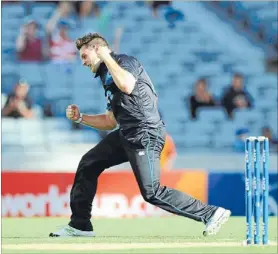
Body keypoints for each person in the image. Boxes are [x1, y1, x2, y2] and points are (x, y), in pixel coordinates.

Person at [49, 33, 231, 238]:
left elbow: (127, 85)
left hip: (146, 133)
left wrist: (107, 58)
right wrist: (81, 118)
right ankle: (80, 225)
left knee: (151, 192)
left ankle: (211, 213)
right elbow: (110, 121)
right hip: (127, 132)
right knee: (89, 163)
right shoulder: (106, 74)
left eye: (84, 56)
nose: (82, 62)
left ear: (98, 49)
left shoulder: (125, 62)